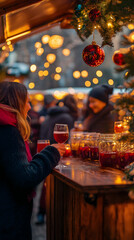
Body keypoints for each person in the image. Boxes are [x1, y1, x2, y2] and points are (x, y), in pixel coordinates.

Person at [0, 81, 65, 240]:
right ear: (17, 102)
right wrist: (51, 153)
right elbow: (24, 178)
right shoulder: (8, 131)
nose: (29, 107)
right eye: (27, 101)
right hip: (8, 220)